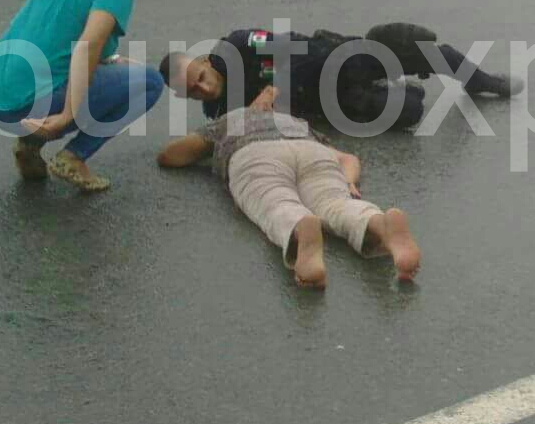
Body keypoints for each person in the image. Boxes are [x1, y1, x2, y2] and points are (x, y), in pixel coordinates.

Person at [157, 84, 422, 288]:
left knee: (276, 203)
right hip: (310, 149)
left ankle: (300, 227)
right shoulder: (295, 122)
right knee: (336, 203)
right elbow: (348, 158)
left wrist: (210, 147)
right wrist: (349, 180)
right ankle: (378, 224)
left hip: (256, 154)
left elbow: (172, 156)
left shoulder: (233, 118)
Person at [0, 0, 169, 192]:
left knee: (119, 74)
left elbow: (57, 37)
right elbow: (86, 47)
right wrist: (68, 114)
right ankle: (73, 157)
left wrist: (111, 61)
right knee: (149, 82)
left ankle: (30, 144)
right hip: (28, 105)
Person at [160, 22, 521, 133]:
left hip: (334, 60)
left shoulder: (237, 44)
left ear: (206, 60)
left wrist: (271, 90)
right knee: (411, 112)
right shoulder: (219, 111)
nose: (204, 88)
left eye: (201, 77)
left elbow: (290, 48)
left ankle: (484, 81)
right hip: (332, 106)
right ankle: (399, 90)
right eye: (194, 92)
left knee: (426, 52)